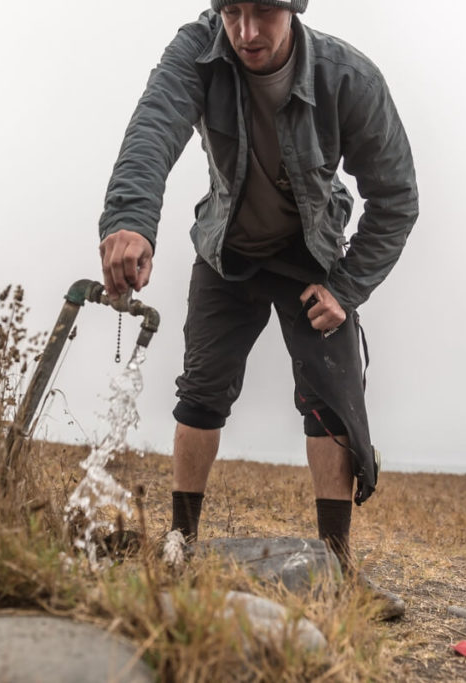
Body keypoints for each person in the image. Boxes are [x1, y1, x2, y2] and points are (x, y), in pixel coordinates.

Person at [97, 1, 418, 617]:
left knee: (331, 403)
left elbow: (397, 196)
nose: (246, 32)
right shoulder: (194, 51)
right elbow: (153, 130)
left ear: (294, 10)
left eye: (264, 12)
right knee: (201, 393)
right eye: (232, 12)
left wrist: (346, 289)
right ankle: (180, 545)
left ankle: (337, 571)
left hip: (314, 259)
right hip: (227, 252)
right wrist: (132, 221)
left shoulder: (348, 78)